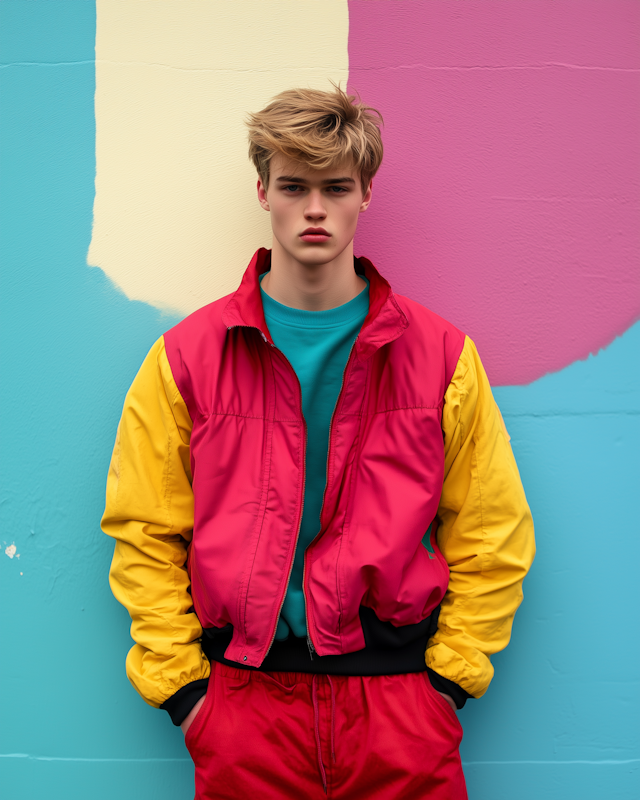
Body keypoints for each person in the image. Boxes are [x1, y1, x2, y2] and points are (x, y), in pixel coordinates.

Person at [102, 85, 535, 799]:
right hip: (243, 709)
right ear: (263, 191)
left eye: (335, 188)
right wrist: (185, 694)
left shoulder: (442, 356)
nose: (313, 208)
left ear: (365, 193)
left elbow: (493, 534)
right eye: (294, 186)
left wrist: (448, 683)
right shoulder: (186, 357)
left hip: (399, 709)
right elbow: (144, 531)